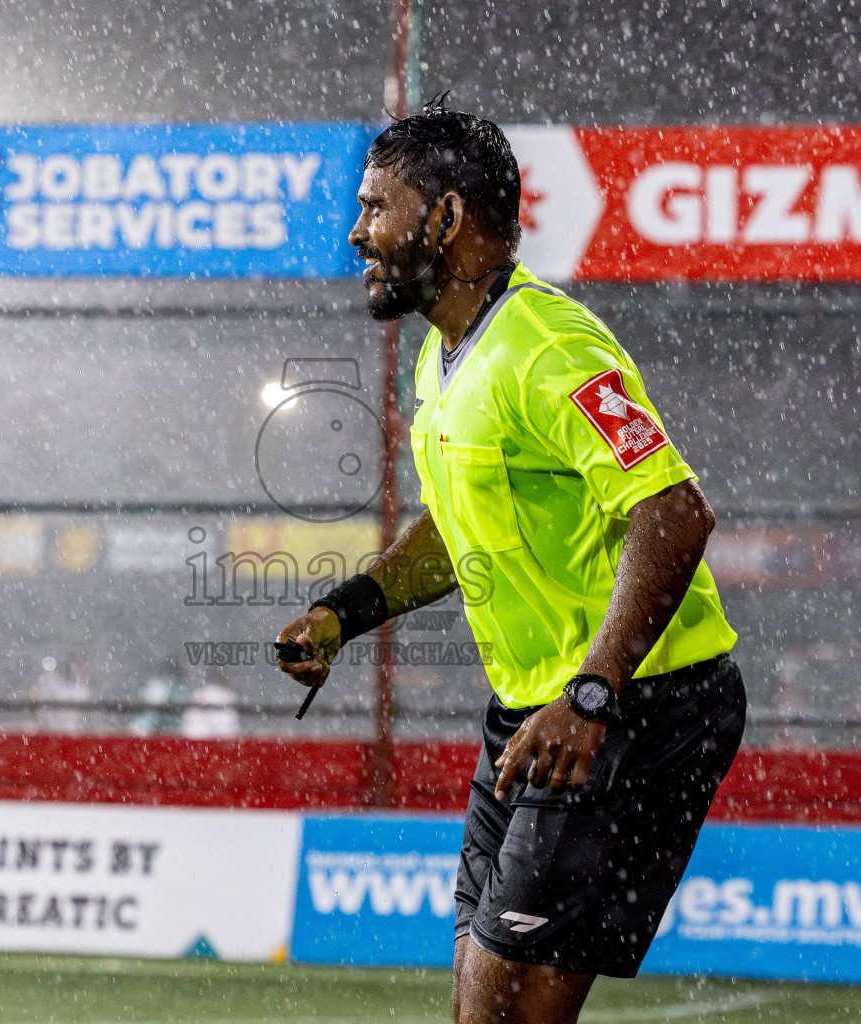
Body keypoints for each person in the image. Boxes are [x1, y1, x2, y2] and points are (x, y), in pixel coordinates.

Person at [274, 104, 747, 1024]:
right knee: (480, 999)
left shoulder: (547, 345)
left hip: (634, 709)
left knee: (506, 1005)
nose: (356, 231)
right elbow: (458, 532)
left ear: (446, 218)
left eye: (377, 208)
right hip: (536, 712)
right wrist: (345, 613)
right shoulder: (443, 357)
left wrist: (594, 694)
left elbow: (675, 511)